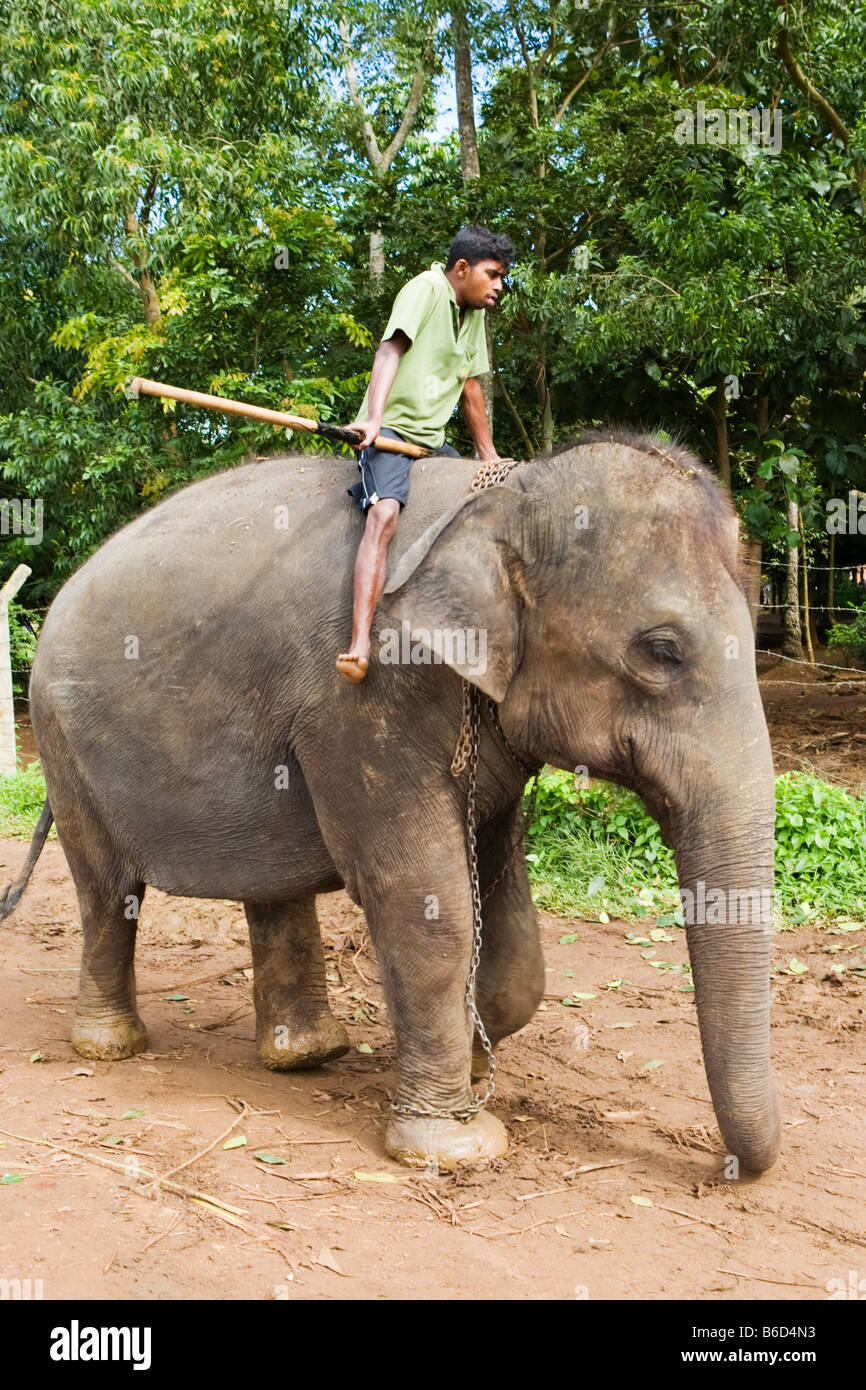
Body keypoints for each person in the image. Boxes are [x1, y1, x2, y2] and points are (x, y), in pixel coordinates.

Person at [335, 225, 515, 683]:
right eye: (492, 275)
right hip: (392, 432)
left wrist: (488, 455)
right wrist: (374, 423)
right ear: (462, 269)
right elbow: (389, 350)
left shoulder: (472, 316)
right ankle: (358, 643)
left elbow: (471, 386)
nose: (499, 287)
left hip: (431, 442)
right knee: (386, 515)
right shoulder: (426, 288)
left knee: (485, 504)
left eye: (502, 278)